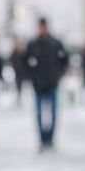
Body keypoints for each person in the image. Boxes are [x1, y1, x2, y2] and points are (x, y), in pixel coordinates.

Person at [26, 18, 69, 151]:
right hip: (38, 85)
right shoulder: (33, 44)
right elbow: (25, 62)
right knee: (39, 114)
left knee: (53, 113)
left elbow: (64, 61)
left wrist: (58, 75)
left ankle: (50, 139)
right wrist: (32, 77)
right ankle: (42, 140)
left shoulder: (56, 44)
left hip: (52, 84)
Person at [10, 37, 29, 105]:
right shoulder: (14, 52)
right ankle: (19, 98)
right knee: (18, 84)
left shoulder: (24, 52)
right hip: (17, 71)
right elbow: (12, 60)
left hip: (23, 72)